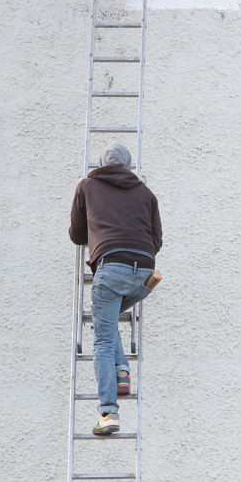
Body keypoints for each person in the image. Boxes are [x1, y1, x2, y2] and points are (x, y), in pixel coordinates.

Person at [69, 143, 162, 434]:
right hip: (146, 274)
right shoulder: (146, 193)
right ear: (129, 166)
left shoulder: (87, 186)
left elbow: (77, 235)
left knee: (103, 340)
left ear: (100, 164)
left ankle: (109, 414)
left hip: (111, 269)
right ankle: (122, 372)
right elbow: (157, 240)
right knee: (106, 322)